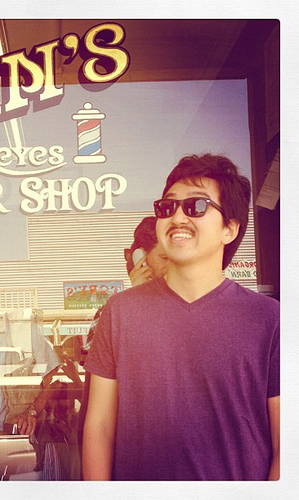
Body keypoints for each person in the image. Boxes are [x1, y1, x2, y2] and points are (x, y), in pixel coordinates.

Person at [82, 154, 280, 481]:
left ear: (229, 229)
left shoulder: (269, 320)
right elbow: (99, 428)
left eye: (196, 206)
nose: (177, 217)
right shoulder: (119, 312)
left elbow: (286, 444)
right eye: (167, 207)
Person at [77, 216, 168, 452]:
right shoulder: (113, 311)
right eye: (164, 258)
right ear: (141, 259)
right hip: (128, 438)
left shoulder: (181, 305)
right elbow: (97, 365)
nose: (172, 266)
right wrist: (136, 298)